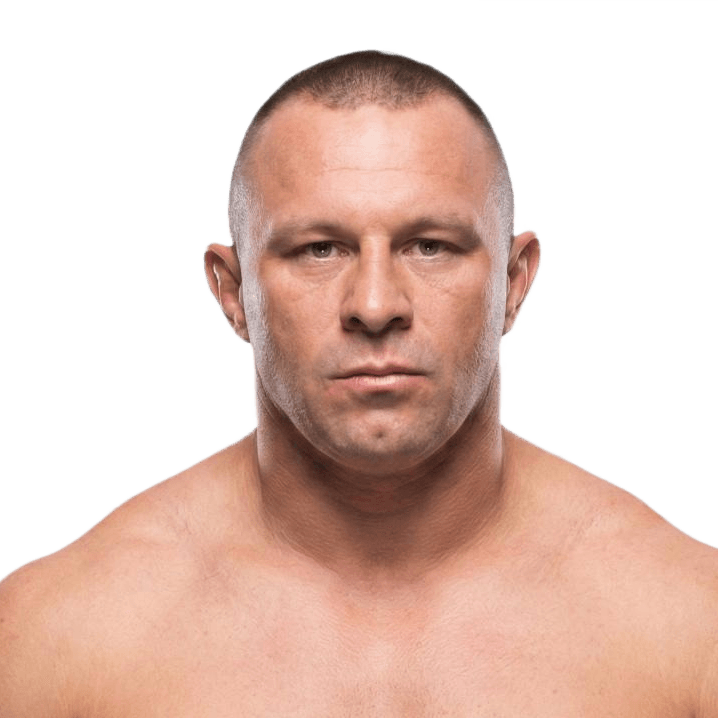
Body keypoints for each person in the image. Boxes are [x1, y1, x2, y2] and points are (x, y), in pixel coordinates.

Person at [1, 48, 717, 717]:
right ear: (232, 291)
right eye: (319, 249)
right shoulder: (53, 642)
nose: (375, 306)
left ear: (514, 280)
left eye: (430, 246)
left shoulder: (690, 633)